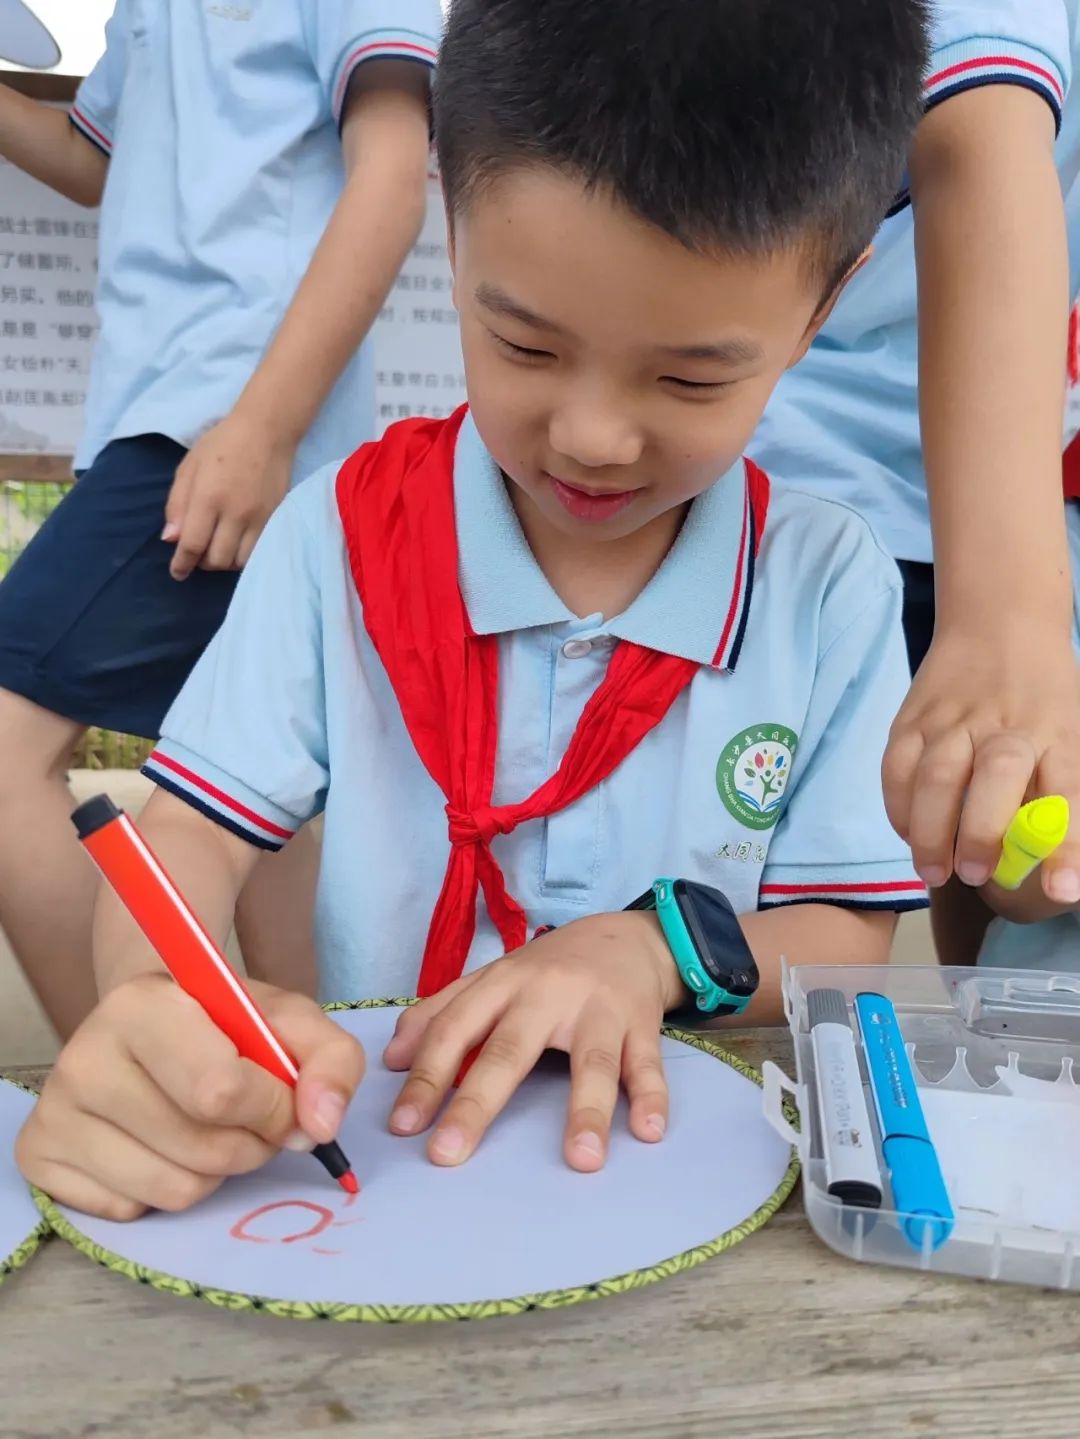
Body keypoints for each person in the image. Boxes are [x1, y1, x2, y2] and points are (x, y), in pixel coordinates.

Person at [16, 0, 929, 1220]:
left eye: (691, 376)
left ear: (824, 303)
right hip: (395, 1186)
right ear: (451, 233)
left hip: (684, 1187)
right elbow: (187, 838)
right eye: (525, 346)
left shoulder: (827, 585)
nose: (594, 438)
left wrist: (655, 946)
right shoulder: (340, 537)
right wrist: (157, 1001)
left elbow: (845, 933)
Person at [0, 0, 442, 1037]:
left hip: (214, 423)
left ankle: (136, 1090)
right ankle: (334, 1120)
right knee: (265, 806)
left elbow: (393, 174)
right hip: (165, 425)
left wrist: (263, 425)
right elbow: (92, 156)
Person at [750, 0, 1080, 964]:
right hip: (829, 482)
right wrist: (1008, 617)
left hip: (996, 484)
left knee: (982, 827)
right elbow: (980, 139)